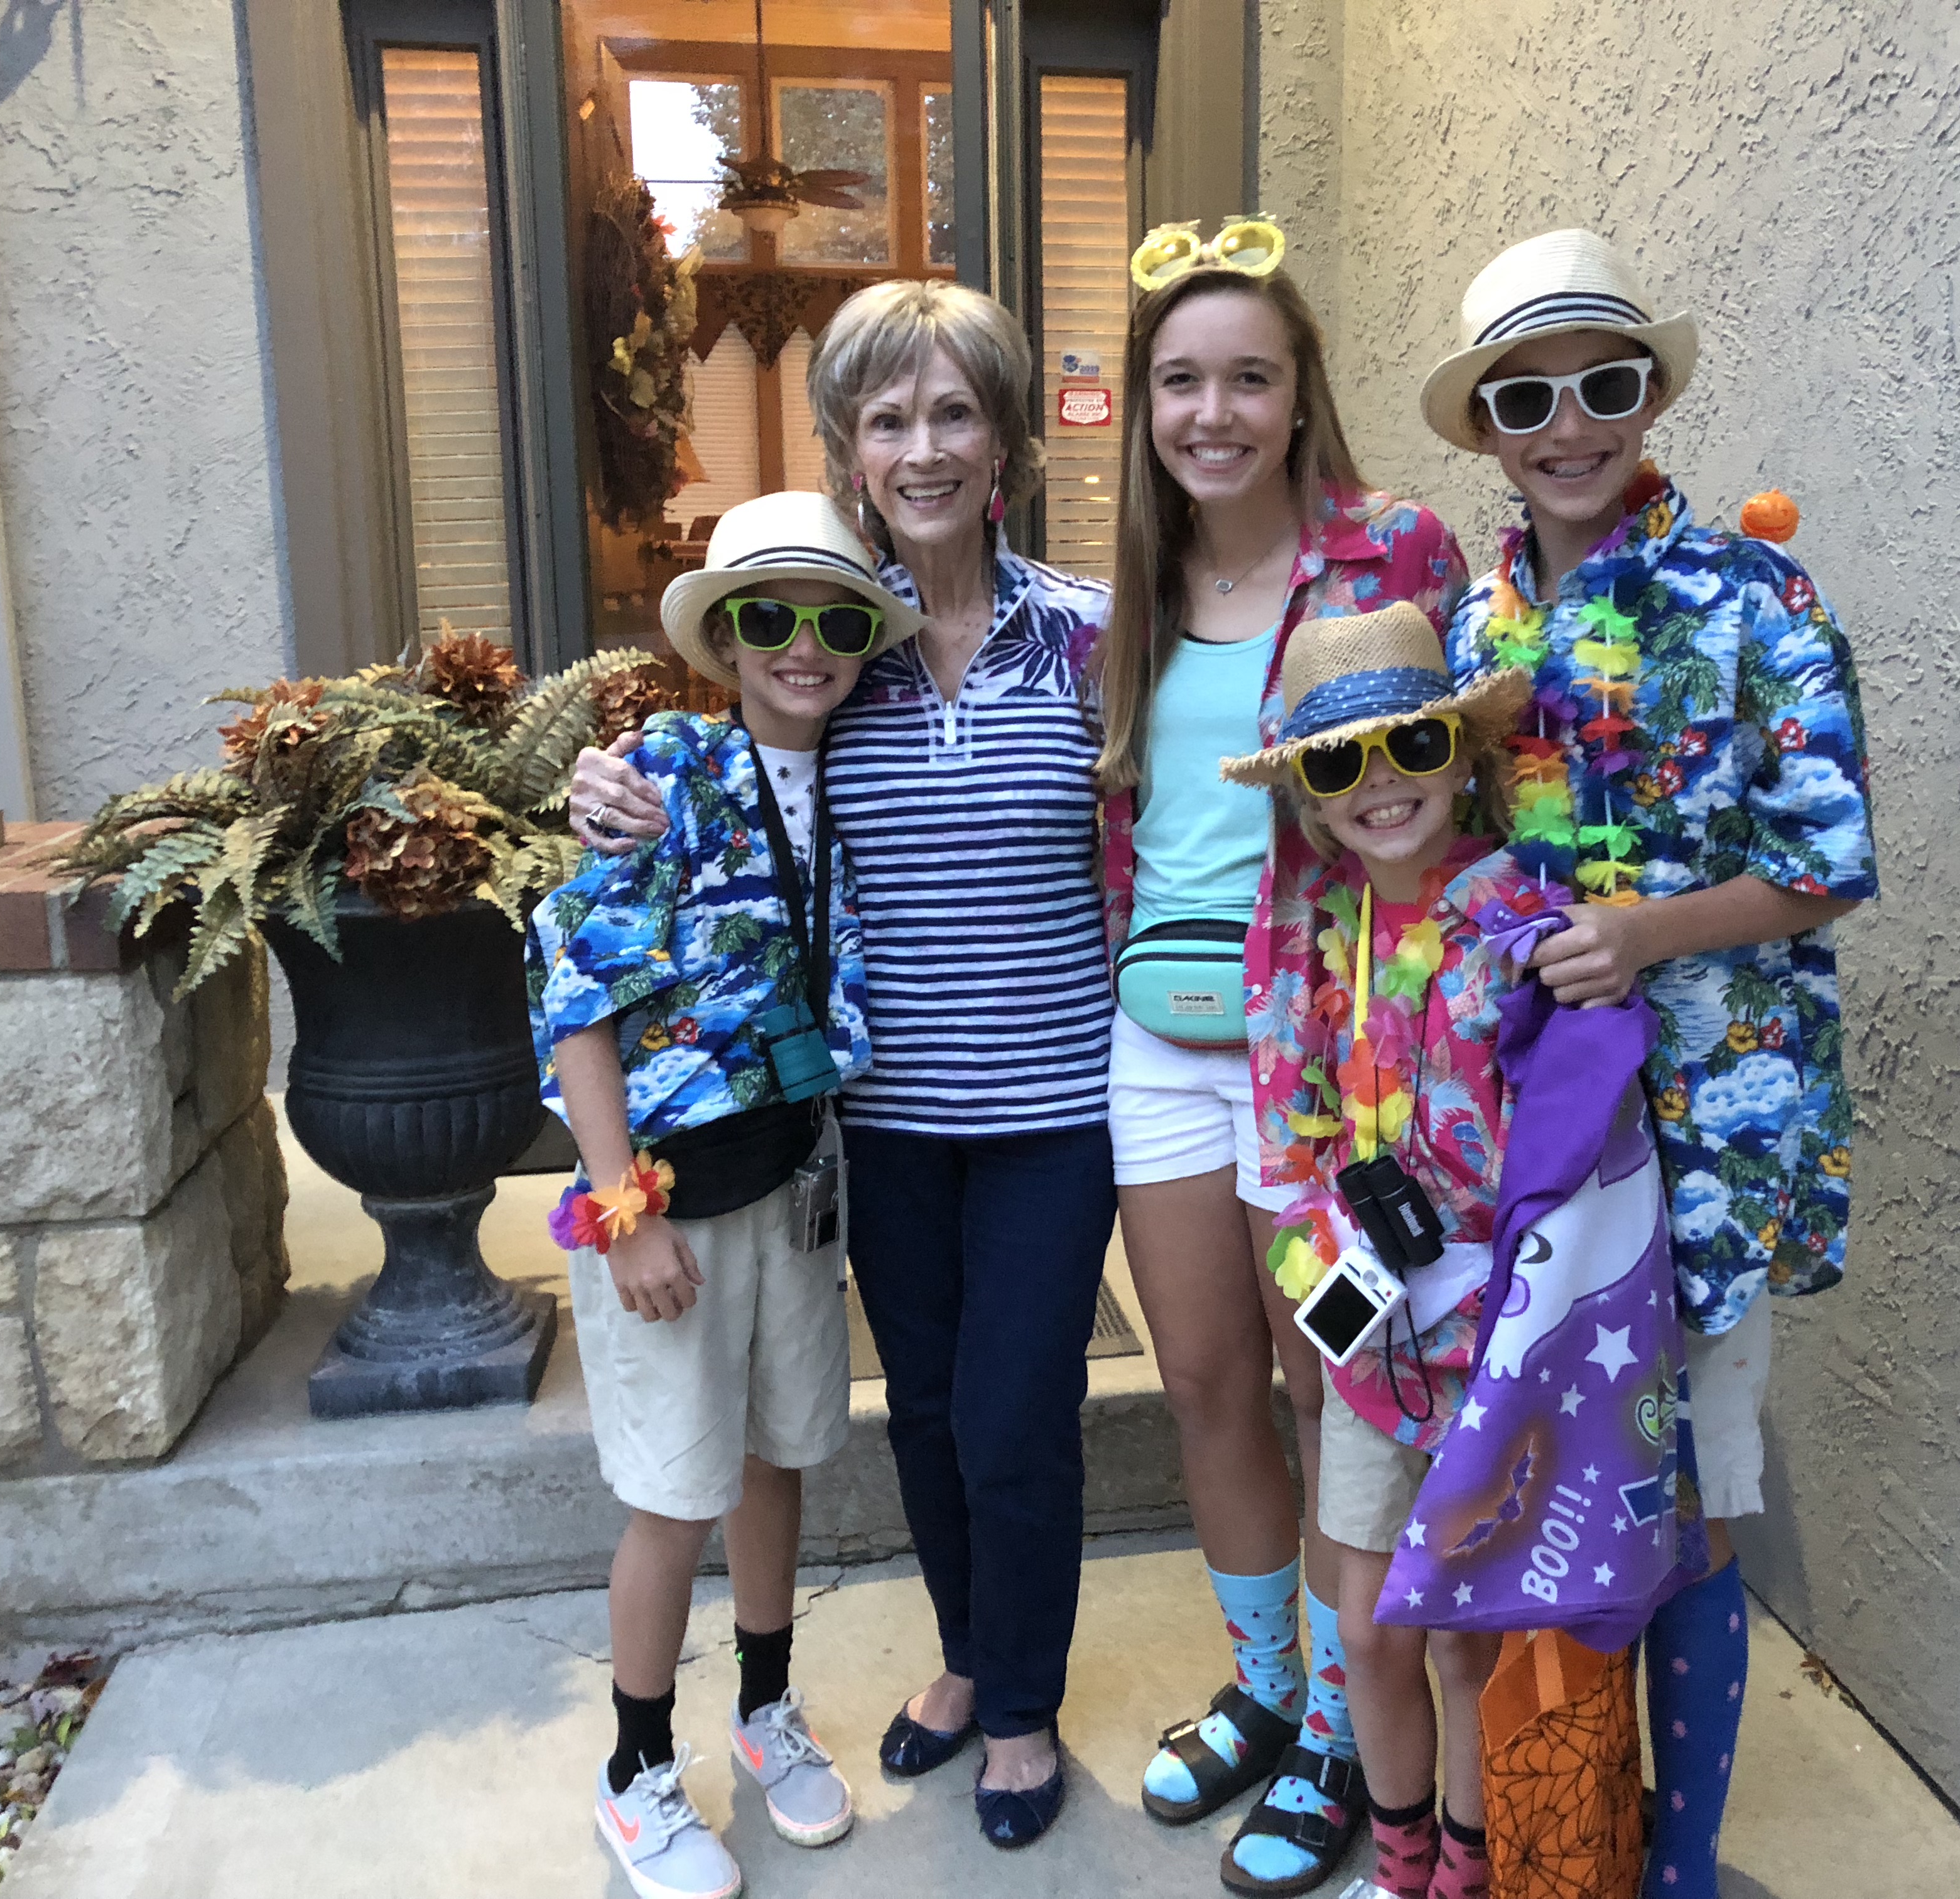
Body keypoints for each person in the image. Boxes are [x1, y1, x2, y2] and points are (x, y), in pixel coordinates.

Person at [566, 280, 1115, 1849]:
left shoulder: (1088, 635)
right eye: (888, 420)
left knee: (1016, 1413)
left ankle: (1023, 1706)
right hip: (876, 1127)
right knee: (925, 1409)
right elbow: (724, 797)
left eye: (954, 413)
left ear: (1004, 440)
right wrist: (606, 786)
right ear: (850, 450)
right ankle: (968, 1656)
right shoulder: (830, 638)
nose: (923, 447)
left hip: (1055, 1109)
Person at [1423, 228, 1880, 1899]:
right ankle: (1578, 1841)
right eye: (1525, 398)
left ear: (1651, 396)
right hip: (1533, 1144)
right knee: (1568, 1493)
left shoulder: (1759, 597)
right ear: (1485, 427)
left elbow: (1831, 862)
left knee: (1696, 1511)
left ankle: (1680, 1866)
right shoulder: (1469, 627)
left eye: (1604, 385)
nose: (1568, 426)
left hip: (1713, 1142)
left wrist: (1647, 934)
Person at [1098, 219, 1466, 1895]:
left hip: (1324, 1052)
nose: (1215, 413)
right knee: (1199, 1377)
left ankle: (1341, 1720)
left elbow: (1470, 775)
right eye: (1183, 381)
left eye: (1249, 377)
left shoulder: (1395, 553)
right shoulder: (1127, 589)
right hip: (1158, 1047)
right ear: (1146, 407)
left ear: (1302, 391)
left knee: (1334, 1383)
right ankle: (1264, 1684)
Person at [528, 490, 911, 1899]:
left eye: (835, 621)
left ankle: (764, 1706)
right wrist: (617, 1212)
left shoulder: (867, 772)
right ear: (725, 639)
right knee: (673, 1493)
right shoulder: (667, 772)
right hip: (669, 1209)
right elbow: (578, 993)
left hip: (796, 1185)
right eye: (769, 616)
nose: (803, 646)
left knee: (774, 1458)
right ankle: (635, 1768)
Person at [1222, 602, 1542, 1899]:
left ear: (1462, 755)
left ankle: (1466, 1872)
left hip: (1501, 1348)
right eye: (1339, 763)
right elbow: (1291, 1151)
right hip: (1370, 1350)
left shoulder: (1523, 919)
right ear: (1311, 797)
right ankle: (1400, 1865)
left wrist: (1497, 1278)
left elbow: (1575, 1133)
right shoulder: (1314, 936)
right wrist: (1330, 1283)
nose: (1381, 784)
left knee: (1466, 1641)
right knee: (1367, 1630)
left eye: (1412, 745)